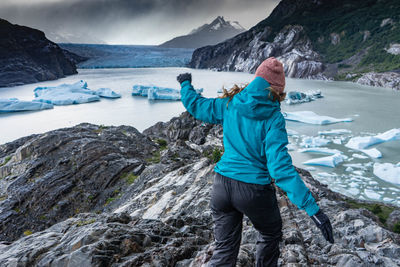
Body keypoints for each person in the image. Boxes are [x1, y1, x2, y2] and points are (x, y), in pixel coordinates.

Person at [177, 57, 334, 267]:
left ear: (256, 79)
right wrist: (313, 210)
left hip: (222, 184)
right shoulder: (273, 117)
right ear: (277, 89)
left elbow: (197, 106)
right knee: (270, 233)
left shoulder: (230, 103)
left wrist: (186, 84)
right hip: (254, 190)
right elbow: (280, 168)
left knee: (224, 250)